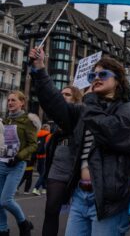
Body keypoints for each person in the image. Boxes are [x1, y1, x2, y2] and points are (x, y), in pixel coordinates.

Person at [29, 47, 130, 236]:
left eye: (103, 74)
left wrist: (90, 101)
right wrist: (40, 69)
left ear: (118, 81)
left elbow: (111, 132)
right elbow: (56, 104)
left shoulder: (125, 109)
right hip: (80, 196)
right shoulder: (85, 110)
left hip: (107, 199)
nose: (96, 78)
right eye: (92, 76)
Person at [42, 86, 82, 236]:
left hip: (77, 170)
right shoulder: (58, 117)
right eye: (61, 94)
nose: (63, 96)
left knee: (79, 214)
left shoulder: (81, 114)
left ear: (76, 99)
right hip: (57, 168)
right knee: (51, 209)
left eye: (67, 94)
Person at [1, 91, 38, 236]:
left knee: (5, 200)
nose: (10, 102)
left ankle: (24, 223)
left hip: (17, 164)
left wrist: (18, 157)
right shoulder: (5, 121)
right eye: (9, 100)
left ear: (22, 102)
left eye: (14, 100)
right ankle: (3, 229)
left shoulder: (28, 122)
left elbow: (33, 145)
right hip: (2, 163)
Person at [32, 123, 51, 196]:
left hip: (38, 156)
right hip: (45, 156)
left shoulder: (37, 135)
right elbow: (48, 146)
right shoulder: (48, 135)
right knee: (43, 173)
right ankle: (36, 188)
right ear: (48, 129)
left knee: (41, 172)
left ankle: (44, 188)